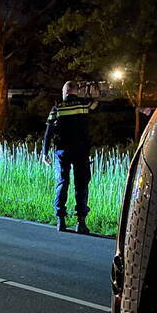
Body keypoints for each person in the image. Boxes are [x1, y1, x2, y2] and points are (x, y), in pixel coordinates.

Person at [43, 81, 100, 234]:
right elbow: (98, 104)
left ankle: (61, 220)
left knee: (62, 182)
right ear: (76, 91)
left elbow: (48, 132)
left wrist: (44, 153)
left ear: (65, 91)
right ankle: (81, 222)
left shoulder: (57, 108)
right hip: (81, 151)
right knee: (81, 185)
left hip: (62, 151)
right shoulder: (84, 106)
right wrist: (91, 94)